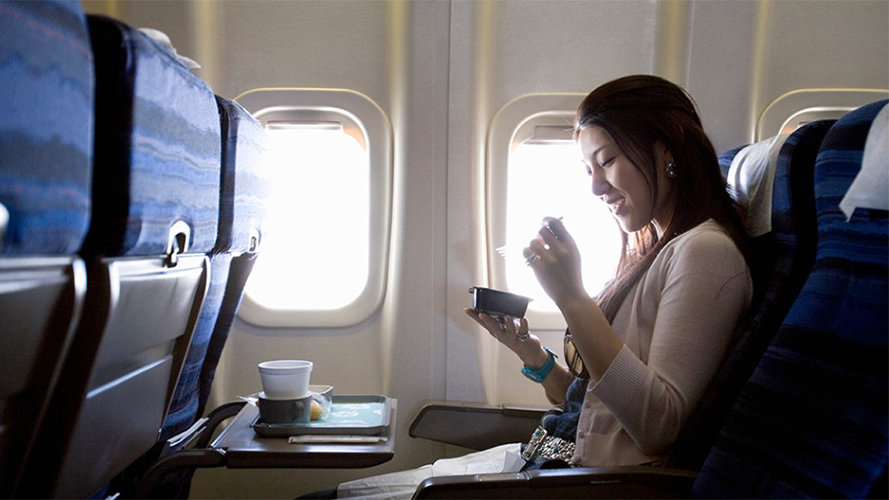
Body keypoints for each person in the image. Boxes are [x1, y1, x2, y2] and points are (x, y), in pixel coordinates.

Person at [328, 74, 753, 498]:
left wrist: (571, 297)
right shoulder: (655, 250)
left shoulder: (705, 252)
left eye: (606, 161)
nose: (595, 186)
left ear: (666, 152)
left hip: (588, 484)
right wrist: (533, 356)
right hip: (548, 459)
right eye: (589, 169)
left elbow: (656, 425)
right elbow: (592, 405)